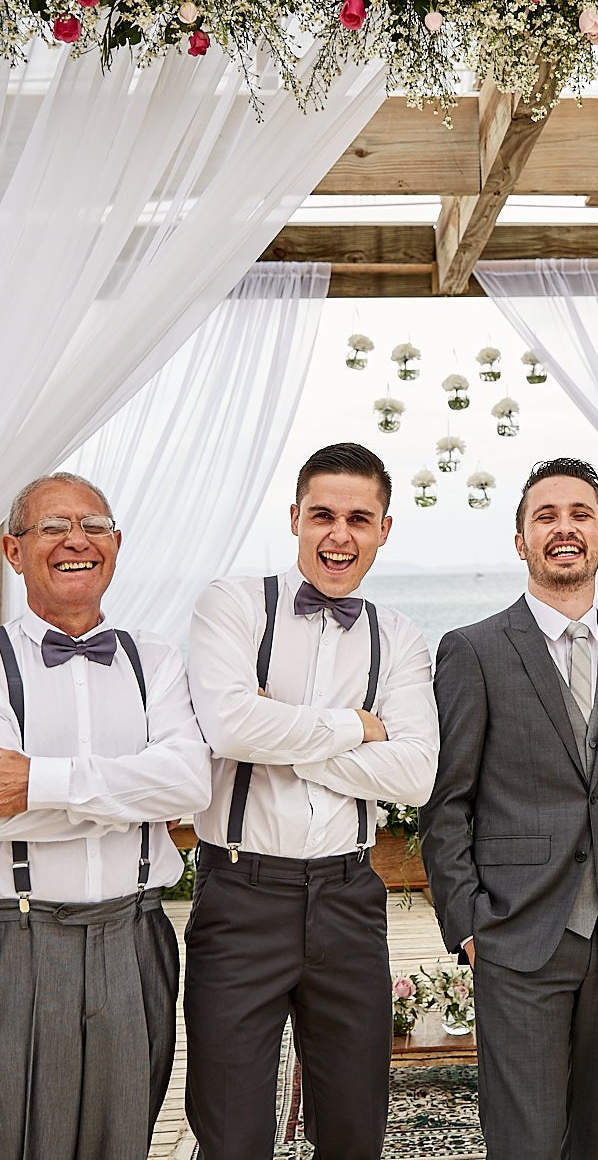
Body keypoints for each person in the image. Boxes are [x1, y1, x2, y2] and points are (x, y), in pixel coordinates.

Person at [423, 458, 598, 1160]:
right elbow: (446, 804)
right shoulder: (473, 650)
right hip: (516, 933)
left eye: (581, 515)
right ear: (521, 540)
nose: (564, 528)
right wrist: (470, 923)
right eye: (545, 516)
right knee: (526, 1142)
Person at [0, 472, 211, 1160]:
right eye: (53, 527)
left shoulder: (157, 658)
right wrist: (130, 796)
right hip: (19, 938)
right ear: (14, 550)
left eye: (93, 526)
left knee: (126, 1141)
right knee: (11, 1140)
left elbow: (187, 785)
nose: (76, 541)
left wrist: (40, 782)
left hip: (137, 934)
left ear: (116, 543)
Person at [183, 442, 440, 1159]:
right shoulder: (232, 605)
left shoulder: (400, 637)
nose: (339, 534)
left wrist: (281, 735)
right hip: (240, 896)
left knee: (354, 1130)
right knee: (232, 1134)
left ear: (384, 528)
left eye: (359, 518)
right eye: (323, 515)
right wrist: (358, 728)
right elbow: (230, 726)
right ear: (295, 518)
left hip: (349, 898)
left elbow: (416, 774)